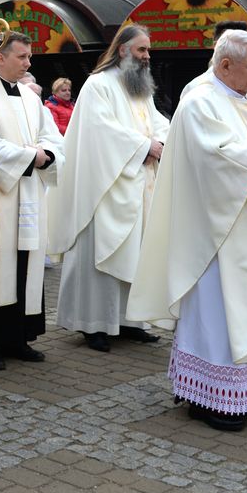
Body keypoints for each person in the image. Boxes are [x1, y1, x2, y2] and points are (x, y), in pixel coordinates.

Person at [127, 30, 247, 432]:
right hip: (216, 233)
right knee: (219, 314)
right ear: (225, 64)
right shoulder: (200, 101)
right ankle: (209, 397)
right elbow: (213, 159)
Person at [48, 25, 168, 352]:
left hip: (137, 183)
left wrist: (161, 140)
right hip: (104, 186)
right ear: (123, 50)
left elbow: (156, 121)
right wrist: (144, 146)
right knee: (99, 256)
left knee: (135, 255)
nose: (147, 56)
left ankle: (130, 321)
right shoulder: (97, 84)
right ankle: (94, 324)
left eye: (148, 50)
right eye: (142, 50)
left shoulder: (139, 86)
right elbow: (99, 130)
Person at [0, 32, 65, 369]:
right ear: (0, 58)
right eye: (22, 56)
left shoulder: (30, 97)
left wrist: (47, 155)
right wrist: (32, 156)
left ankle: (20, 338)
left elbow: (53, 138)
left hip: (30, 195)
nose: (28, 62)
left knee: (25, 265)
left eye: (29, 56)